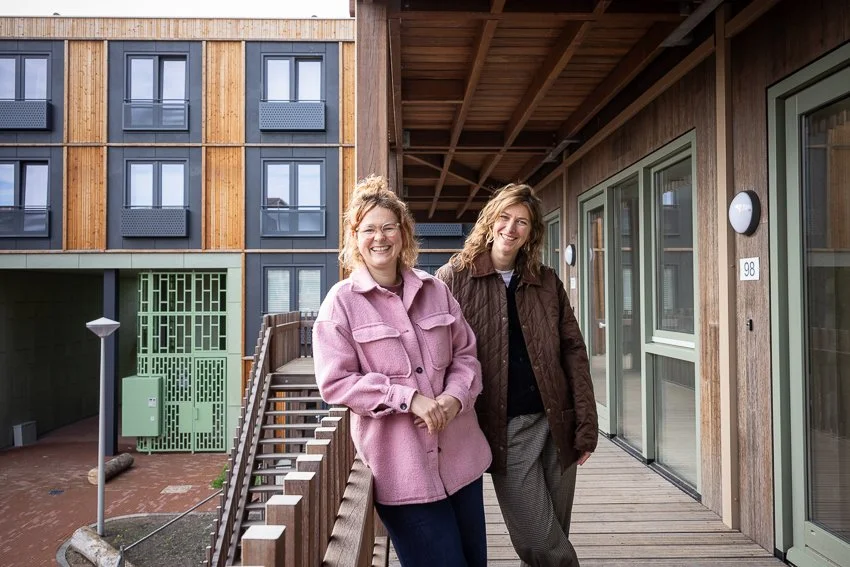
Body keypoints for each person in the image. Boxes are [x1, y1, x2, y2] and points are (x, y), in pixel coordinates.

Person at [312, 175, 492, 567]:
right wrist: (407, 398)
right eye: (369, 229)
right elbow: (335, 382)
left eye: (389, 227)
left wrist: (454, 398)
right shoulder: (340, 304)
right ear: (355, 238)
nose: (380, 237)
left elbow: (466, 356)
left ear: (403, 233)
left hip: (462, 461)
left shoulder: (435, 290)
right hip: (403, 473)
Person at [436, 183, 598, 567]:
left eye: (521, 222)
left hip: (557, 422)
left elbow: (574, 353)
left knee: (553, 531)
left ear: (531, 231)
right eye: (505, 218)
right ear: (491, 221)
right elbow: (436, 354)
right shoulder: (453, 278)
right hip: (505, 428)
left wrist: (586, 424)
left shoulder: (547, 281)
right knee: (539, 538)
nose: (511, 228)